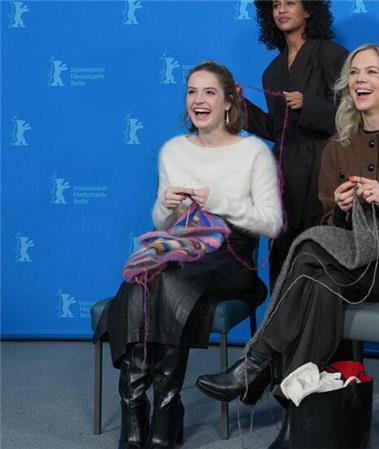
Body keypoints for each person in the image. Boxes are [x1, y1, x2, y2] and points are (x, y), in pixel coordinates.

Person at [196, 44, 379, 447]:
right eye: (354, 73)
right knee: (317, 280)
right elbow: (328, 226)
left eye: (371, 72)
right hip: (351, 264)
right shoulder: (338, 146)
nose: (359, 80)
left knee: (309, 257)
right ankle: (293, 421)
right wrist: (339, 211)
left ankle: (257, 362)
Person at [95, 61, 282, 449]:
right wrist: (165, 206)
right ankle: (137, 408)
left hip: (234, 257)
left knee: (168, 281)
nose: (199, 100)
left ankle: (165, 410)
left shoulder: (253, 152)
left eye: (209, 92)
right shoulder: (173, 150)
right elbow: (165, 226)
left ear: (230, 101)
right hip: (188, 250)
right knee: (144, 278)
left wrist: (220, 201)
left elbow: (271, 223)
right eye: (192, 92)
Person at [245, 0, 348, 287]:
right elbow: (277, 130)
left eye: (290, 2)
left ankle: (324, 330)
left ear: (309, 10)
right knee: (284, 260)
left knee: (320, 257)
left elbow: (355, 114)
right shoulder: (272, 70)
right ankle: (281, 328)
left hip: (323, 171)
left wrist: (309, 104)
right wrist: (240, 109)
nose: (281, 10)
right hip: (284, 175)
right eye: (276, 5)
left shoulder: (331, 54)